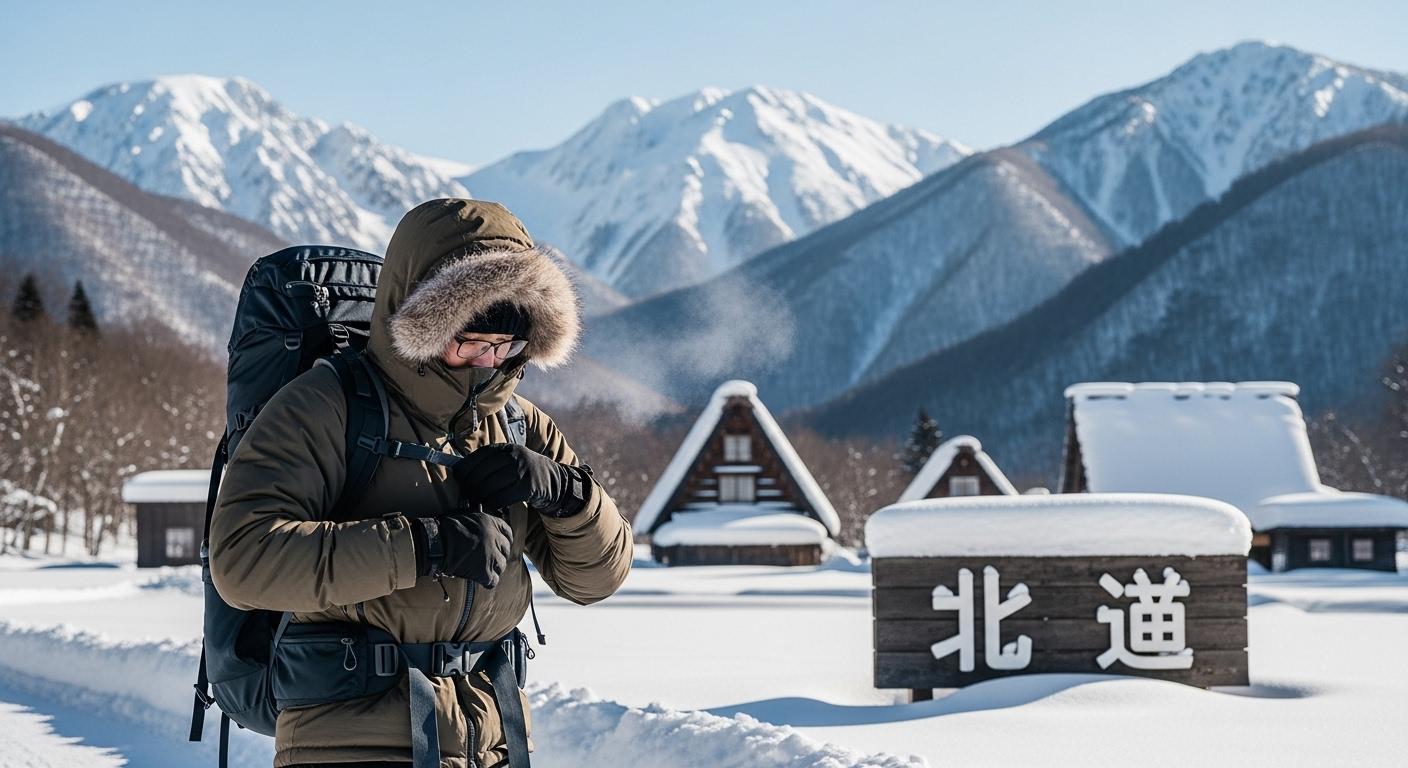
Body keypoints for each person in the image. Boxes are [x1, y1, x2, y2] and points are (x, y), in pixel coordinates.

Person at [210, 198, 633, 768]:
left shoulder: (520, 425)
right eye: (470, 341)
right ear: (427, 323)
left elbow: (598, 579)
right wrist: (424, 546)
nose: (487, 361)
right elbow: (243, 560)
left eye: (505, 346)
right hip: (350, 739)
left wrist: (567, 495)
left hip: (492, 736)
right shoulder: (328, 406)